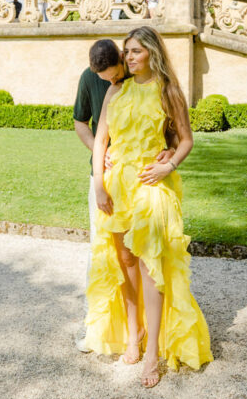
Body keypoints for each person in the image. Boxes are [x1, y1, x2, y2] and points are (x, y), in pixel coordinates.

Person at [83, 26, 212, 387]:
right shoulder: (115, 89)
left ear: (152, 52)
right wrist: (98, 184)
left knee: (151, 265)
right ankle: (132, 335)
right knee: (124, 263)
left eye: (136, 51)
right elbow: (100, 142)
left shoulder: (168, 90)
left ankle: (152, 352)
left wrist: (169, 163)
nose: (129, 57)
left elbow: (185, 140)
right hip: (116, 186)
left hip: (151, 183)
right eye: (127, 51)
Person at [72, 38, 174, 351]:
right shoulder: (91, 77)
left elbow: (167, 128)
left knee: (147, 255)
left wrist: (169, 153)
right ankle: (100, 327)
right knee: (103, 251)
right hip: (105, 178)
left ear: (122, 58)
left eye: (115, 76)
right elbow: (81, 123)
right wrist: (99, 154)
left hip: (141, 180)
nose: (113, 81)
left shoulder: (137, 74)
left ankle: (149, 329)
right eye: (106, 79)